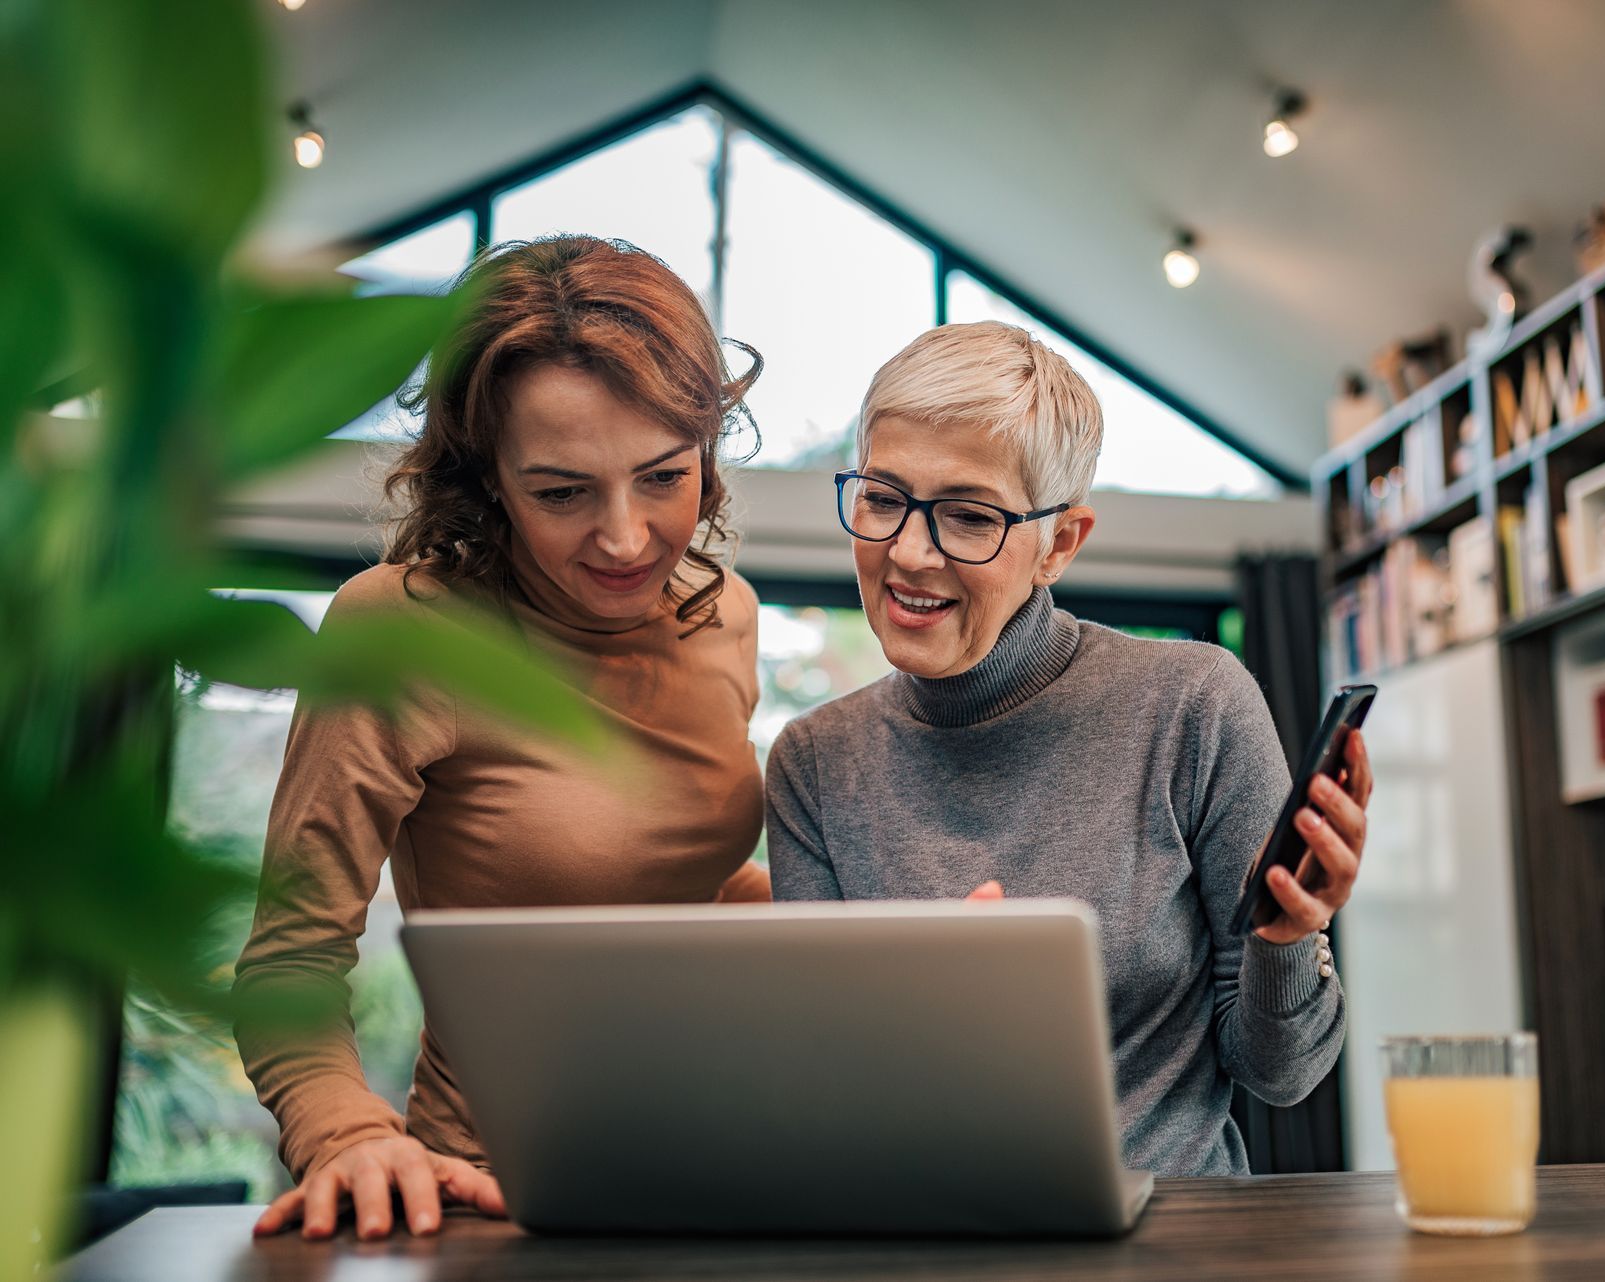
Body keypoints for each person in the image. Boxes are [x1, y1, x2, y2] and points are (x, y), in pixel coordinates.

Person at [236, 236, 767, 1240]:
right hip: (496, 1194)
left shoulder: (724, 612)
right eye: (562, 492)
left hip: (720, 1162)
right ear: (486, 479)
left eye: (664, 476)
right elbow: (288, 962)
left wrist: (882, 920)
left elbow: (679, 882)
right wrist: (347, 1135)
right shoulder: (403, 628)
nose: (624, 537)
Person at [766, 321, 1372, 1176]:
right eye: (881, 497)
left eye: (969, 516)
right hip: (921, 1240)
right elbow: (814, 1090)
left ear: (1059, 544)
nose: (908, 551)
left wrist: (1284, 940)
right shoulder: (814, 763)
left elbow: (1281, 1076)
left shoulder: (1194, 705)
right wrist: (922, 1011)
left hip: (1173, 1240)